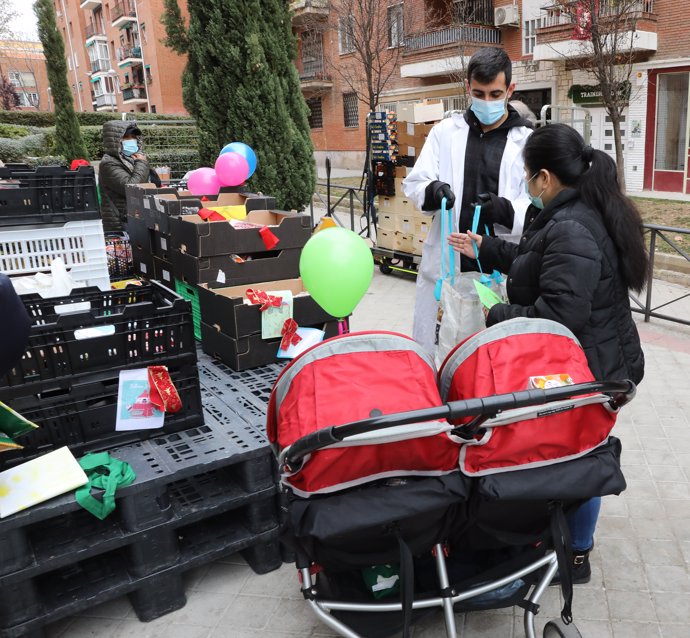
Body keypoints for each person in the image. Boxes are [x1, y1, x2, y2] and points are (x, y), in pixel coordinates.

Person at [451, 123, 648, 582]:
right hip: (592, 361)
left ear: (544, 177)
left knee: (582, 458)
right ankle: (560, 540)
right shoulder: (570, 214)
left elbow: (559, 314)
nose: (525, 184)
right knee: (576, 453)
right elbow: (535, 257)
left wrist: (499, 312)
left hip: (593, 369)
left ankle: (576, 555)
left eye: (526, 174)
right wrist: (488, 248)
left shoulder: (574, 226)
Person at [403, 47, 534, 354]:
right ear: (467, 88)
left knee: (490, 356)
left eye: (495, 94)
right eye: (479, 93)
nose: (486, 102)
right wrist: (434, 191)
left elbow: (537, 206)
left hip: (497, 268)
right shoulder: (445, 133)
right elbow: (416, 183)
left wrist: (504, 209)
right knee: (439, 351)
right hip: (447, 266)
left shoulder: (526, 142)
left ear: (510, 90)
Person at [98, 120, 160, 232]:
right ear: (116, 141)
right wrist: (141, 163)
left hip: (137, 219)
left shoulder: (133, 158)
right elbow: (133, 188)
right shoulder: (109, 163)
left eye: (133, 136)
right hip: (121, 225)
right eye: (126, 137)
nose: (131, 140)